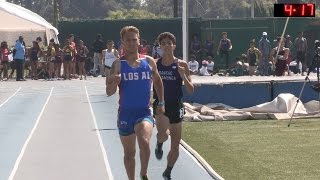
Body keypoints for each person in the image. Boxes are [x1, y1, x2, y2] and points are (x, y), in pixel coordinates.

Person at [106, 26, 165, 180]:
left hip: (144, 112)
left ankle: (144, 173)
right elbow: (109, 92)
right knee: (129, 153)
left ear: (139, 41)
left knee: (144, 141)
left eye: (134, 40)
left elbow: (158, 82)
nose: (132, 43)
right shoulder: (118, 64)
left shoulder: (149, 61)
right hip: (125, 114)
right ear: (123, 43)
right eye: (128, 40)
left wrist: (161, 102)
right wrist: (114, 82)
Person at [153, 32, 194, 180]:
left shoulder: (182, 64)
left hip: (176, 105)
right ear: (160, 47)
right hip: (160, 104)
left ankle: (168, 172)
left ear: (174, 46)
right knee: (163, 134)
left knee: (175, 145)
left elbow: (190, 90)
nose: (167, 46)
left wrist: (183, 75)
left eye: (169, 43)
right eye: (163, 43)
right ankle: (159, 142)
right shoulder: (155, 64)